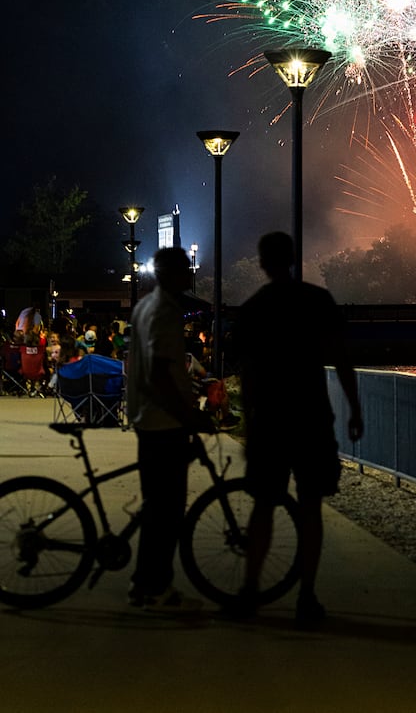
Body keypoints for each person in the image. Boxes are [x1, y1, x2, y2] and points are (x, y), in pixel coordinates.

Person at [233, 231, 363, 627]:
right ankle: (307, 596)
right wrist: (355, 409)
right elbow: (341, 359)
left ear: (262, 262)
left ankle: (251, 590)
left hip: (271, 419)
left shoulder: (254, 308)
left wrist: (247, 421)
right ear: (293, 258)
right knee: (311, 508)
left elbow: (249, 373)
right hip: (311, 417)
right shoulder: (317, 301)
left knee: (262, 506)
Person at [126, 247, 216, 611]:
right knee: (167, 511)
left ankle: (143, 582)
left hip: (148, 419)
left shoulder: (144, 306)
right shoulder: (164, 311)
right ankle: (155, 586)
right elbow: (160, 374)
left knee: (156, 507)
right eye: (185, 270)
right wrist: (189, 415)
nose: (190, 276)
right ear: (171, 274)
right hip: (164, 422)